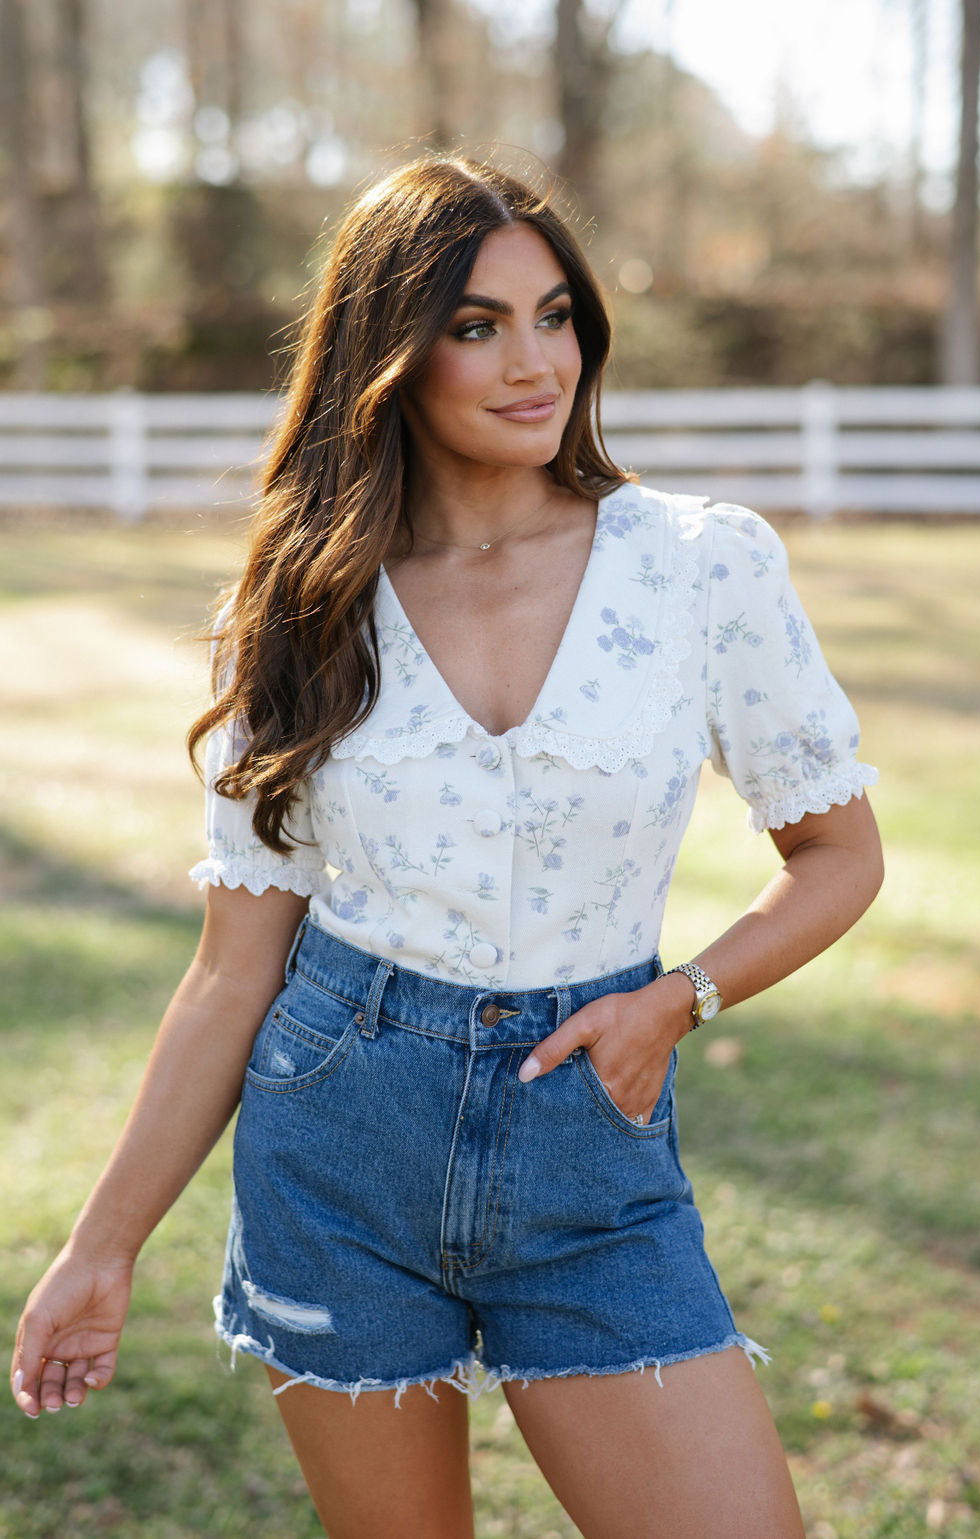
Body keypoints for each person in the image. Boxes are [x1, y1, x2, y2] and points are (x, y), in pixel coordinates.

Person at [10, 155, 882, 1539]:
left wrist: (680, 999)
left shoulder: (700, 565)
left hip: (589, 1142)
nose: (535, 362)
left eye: (556, 316)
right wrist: (99, 1251)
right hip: (337, 1135)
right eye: (476, 326)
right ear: (390, 355)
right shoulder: (301, 604)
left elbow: (840, 853)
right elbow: (233, 974)